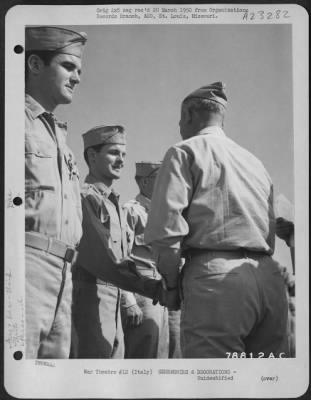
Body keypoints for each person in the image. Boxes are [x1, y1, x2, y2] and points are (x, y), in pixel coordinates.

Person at [145, 82, 290, 358]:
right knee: (266, 384)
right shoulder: (255, 162)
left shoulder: (184, 151)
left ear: (188, 115)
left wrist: (172, 287)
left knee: (213, 384)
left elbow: (166, 233)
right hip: (269, 279)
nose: (180, 126)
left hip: (216, 279)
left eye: (180, 120)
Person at [25, 26, 87, 358]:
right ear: (35, 64)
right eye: (68, 66)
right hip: (24, 266)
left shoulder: (60, 137)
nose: (76, 77)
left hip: (64, 274)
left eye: (79, 70)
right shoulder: (13, 120)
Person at [72, 125, 144, 358]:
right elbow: (102, 259)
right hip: (90, 295)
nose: (121, 161)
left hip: (113, 301)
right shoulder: (84, 197)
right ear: (92, 156)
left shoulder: (115, 204)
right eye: (114, 153)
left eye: (123, 155)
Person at [122, 162, 170, 358]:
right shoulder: (130, 211)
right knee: (143, 354)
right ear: (143, 182)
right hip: (142, 291)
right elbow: (119, 256)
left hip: (166, 289)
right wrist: (128, 299)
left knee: (164, 355)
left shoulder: (165, 214)